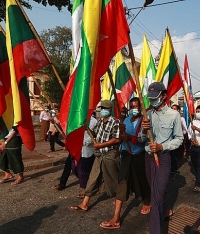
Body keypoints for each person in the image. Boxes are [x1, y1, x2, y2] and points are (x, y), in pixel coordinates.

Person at [138, 82, 183, 234]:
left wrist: (162, 147)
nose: (152, 101)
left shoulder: (174, 115)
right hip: (148, 159)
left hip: (162, 159)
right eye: (150, 98)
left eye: (155, 97)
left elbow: (179, 139)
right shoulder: (147, 114)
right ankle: (164, 211)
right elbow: (140, 139)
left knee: (155, 199)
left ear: (164, 96)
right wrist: (144, 131)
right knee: (156, 191)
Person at [100, 97, 150, 230]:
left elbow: (142, 139)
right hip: (127, 155)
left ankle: (147, 201)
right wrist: (122, 135)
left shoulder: (144, 121)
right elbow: (121, 139)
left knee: (142, 181)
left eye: (136, 107)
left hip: (139, 156)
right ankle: (116, 218)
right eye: (132, 107)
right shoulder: (126, 120)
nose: (134, 109)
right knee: (122, 183)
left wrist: (130, 137)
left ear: (140, 107)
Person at [71, 100, 120, 211]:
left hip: (110, 155)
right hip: (99, 155)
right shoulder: (99, 122)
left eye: (105, 109)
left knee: (114, 178)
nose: (103, 111)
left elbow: (116, 139)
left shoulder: (115, 122)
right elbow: (95, 134)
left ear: (110, 110)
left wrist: (101, 145)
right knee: (92, 178)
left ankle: (120, 198)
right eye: (102, 108)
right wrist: (87, 129)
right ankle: (85, 203)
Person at [52, 114, 97, 193]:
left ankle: (85, 188)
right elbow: (67, 130)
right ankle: (63, 183)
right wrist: (56, 124)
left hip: (86, 150)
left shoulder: (93, 121)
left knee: (84, 169)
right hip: (75, 148)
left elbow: (94, 137)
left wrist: (82, 142)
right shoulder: (76, 118)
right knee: (72, 167)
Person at [170, 104, 187, 178]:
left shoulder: (181, 119)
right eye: (172, 108)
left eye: (175, 109)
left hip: (175, 140)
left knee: (173, 156)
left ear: (178, 110)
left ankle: (174, 170)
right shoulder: (168, 117)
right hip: (168, 140)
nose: (173, 110)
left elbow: (185, 130)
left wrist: (179, 134)